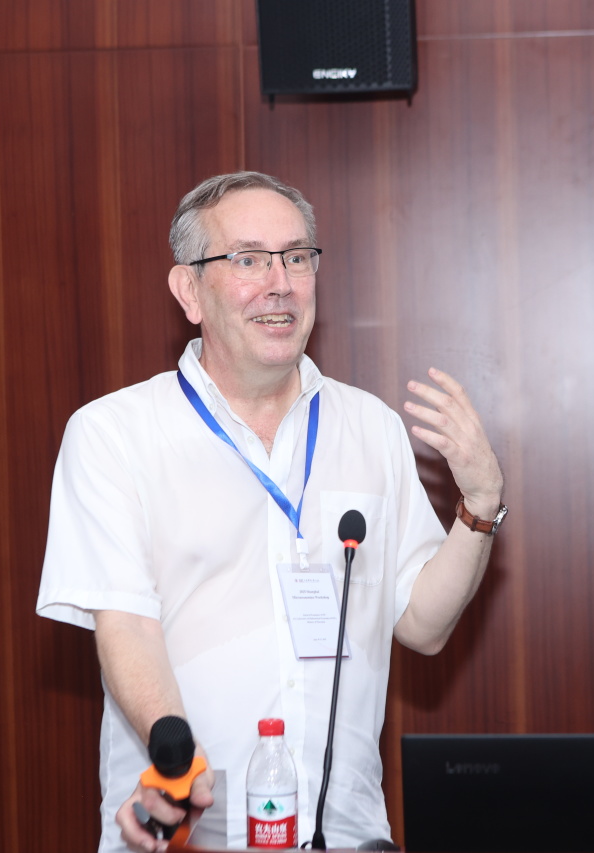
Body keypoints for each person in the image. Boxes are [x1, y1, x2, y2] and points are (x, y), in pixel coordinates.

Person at [37, 171, 506, 853]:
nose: (279, 282)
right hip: (187, 832)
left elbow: (423, 625)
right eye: (248, 259)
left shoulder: (370, 427)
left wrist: (480, 506)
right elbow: (127, 626)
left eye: (296, 257)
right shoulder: (115, 433)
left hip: (347, 834)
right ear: (189, 291)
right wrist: (177, 760)